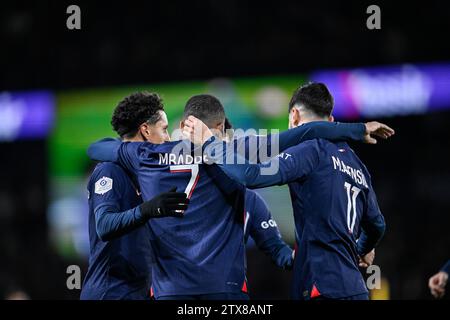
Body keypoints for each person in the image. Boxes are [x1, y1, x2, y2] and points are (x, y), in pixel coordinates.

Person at [87, 93, 387, 300]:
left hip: (170, 291)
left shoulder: (147, 155)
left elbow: (96, 147)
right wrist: (356, 129)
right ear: (219, 129)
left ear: (184, 126)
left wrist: (137, 150)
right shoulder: (239, 149)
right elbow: (303, 134)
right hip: (226, 290)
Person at [185, 83, 393, 300]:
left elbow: (252, 176)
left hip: (322, 286)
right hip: (357, 289)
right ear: (331, 121)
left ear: (294, 115)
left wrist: (209, 143)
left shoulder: (309, 151)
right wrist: (359, 248)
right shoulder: (359, 168)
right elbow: (377, 225)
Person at [80, 92, 189, 300]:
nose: (167, 138)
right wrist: (147, 209)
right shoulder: (110, 171)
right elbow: (104, 225)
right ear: (146, 130)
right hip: (110, 292)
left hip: (137, 292)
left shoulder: (146, 174)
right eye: (164, 129)